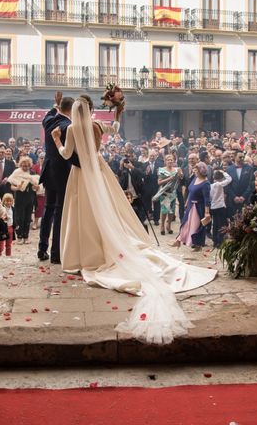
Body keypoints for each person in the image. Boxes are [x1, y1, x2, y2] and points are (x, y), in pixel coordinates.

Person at [52, 96, 216, 344]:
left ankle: (85, 252)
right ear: (90, 110)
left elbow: (66, 154)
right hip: (100, 170)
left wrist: (56, 139)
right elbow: (116, 129)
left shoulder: (72, 129)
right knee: (109, 209)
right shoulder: (96, 126)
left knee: (83, 213)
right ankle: (108, 240)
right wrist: (117, 112)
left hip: (82, 175)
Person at [38, 92, 75, 264]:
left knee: (48, 210)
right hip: (61, 173)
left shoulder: (48, 120)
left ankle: (42, 248)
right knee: (60, 212)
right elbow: (68, 153)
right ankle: (56, 253)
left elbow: (51, 112)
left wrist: (56, 103)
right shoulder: (67, 126)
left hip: (48, 171)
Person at [172, 162, 211, 251]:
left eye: (197, 170)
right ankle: (178, 241)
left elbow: (206, 199)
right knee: (185, 223)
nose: (195, 171)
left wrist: (207, 212)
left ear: (202, 171)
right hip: (191, 206)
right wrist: (187, 201)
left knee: (196, 226)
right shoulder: (195, 178)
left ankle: (198, 245)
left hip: (199, 208)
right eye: (195, 170)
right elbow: (190, 190)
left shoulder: (206, 183)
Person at [7, 156, 40, 244]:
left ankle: (26, 236)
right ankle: (19, 236)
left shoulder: (32, 173)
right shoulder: (16, 173)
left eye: (27, 166)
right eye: (23, 166)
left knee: (28, 218)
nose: (25, 168)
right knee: (19, 218)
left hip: (30, 198)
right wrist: (17, 187)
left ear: (30, 165)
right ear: (20, 165)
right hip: (19, 197)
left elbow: (37, 187)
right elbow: (10, 185)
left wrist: (36, 187)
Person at [210, 169, 232, 248]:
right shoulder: (219, 184)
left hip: (213, 207)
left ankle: (215, 241)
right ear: (221, 178)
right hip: (220, 206)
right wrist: (223, 172)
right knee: (221, 224)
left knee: (215, 224)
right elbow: (229, 179)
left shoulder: (210, 186)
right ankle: (220, 241)